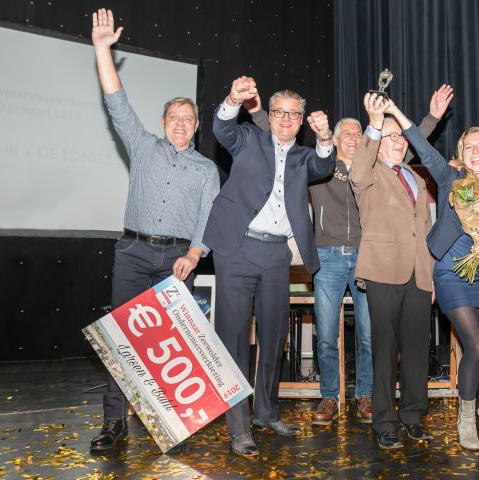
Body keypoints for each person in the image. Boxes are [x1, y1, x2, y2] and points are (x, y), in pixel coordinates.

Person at [243, 87, 453, 426]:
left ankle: (366, 396)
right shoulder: (317, 167)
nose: (355, 138)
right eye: (348, 134)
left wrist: (433, 118)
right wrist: (255, 110)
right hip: (327, 258)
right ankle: (329, 396)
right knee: (326, 335)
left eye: (360, 132)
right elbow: (278, 136)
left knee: (371, 335)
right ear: (335, 140)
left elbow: (405, 140)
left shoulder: (378, 168)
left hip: (370, 259)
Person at [89, 9, 220, 453]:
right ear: (163, 122)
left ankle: (171, 423)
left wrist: (195, 254)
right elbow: (115, 101)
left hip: (177, 260)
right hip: (132, 253)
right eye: (174, 116)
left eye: (189, 117)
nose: (181, 123)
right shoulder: (143, 146)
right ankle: (115, 424)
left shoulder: (206, 169)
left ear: (197, 126)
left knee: (170, 345)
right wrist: (102, 49)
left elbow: (208, 217)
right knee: (120, 338)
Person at [202, 76, 335, 458]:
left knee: (274, 339)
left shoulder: (304, 157)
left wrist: (325, 136)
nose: (286, 120)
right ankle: (238, 427)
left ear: (302, 119)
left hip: (277, 255)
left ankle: (265, 412)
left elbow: (325, 164)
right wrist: (232, 98)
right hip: (238, 248)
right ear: (270, 114)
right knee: (235, 339)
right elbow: (221, 126)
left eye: (294, 115)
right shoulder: (248, 138)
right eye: (279, 113)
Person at [386, 86, 479, 450]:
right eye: (468, 147)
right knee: (473, 344)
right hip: (451, 273)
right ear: (461, 154)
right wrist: (397, 108)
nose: (474, 152)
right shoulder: (449, 177)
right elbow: (420, 146)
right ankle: (465, 418)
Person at [349, 93, 434, 449]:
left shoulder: (415, 177)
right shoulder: (367, 174)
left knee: (417, 349)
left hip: (420, 273)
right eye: (392, 137)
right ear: (378, 143)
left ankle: (413, 416)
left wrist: (433, 275)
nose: (399, 142)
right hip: (383, 271)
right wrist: (373, 124)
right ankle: (384, 421)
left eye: (402, 138)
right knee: (385, 350)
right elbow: (356, 166)